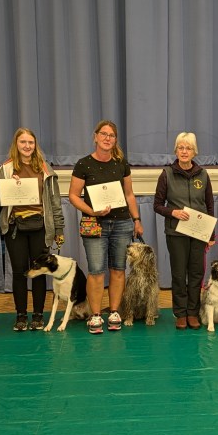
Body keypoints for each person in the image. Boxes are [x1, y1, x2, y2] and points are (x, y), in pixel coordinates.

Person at [68, 120, 143, 335]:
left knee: (118, 269)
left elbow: (129, 194)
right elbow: (73, 196)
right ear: (95, 136)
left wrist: (136, 219)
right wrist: (92, 211)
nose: (107, 138)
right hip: (94, 224)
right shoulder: (83, 164)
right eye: (103, 134)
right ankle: (95, 315)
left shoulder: (121, 164)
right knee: (96, 271)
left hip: (122, 223)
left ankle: (114, 312)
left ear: (115, 140)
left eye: (111, 135)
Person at [0, 127, 64, 331]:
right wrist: (9, 186)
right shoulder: (6, 168)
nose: (27, 146)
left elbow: (55, 202)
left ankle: (38, 315)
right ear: (16, 145)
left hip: (40, 227)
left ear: (35, 145)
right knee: (19, 272)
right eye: (23, 142)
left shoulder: (45, 169)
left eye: (30, 142)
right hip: (15, 227)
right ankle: (21, 315)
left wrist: (59, 229)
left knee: (39, 271)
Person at [153, 132, 215, 330]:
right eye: (181, 147)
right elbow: (157, 205)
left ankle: (192, 313)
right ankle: (180, 313)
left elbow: (209, 205)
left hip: (199, 233)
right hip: (176, 233)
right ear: (176, 151)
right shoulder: (166, 174)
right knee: (179, 274)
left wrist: (211, 234)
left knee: (196, 274)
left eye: (188, 148)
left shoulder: (203, 175)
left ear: (194, 152)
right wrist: (173, 212)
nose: (184, 151)